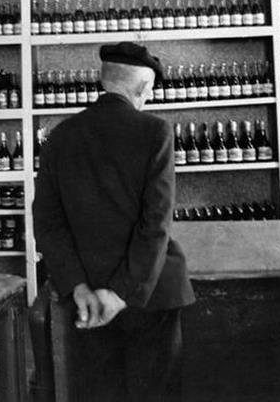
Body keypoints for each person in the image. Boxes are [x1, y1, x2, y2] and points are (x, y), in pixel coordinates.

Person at [33, 41, 195, 402]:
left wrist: (78, 287)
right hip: (148, 295)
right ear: (143, 87)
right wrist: (122, 293)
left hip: (86, 299)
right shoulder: (155, 131)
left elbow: (47, 224)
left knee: (99, 393)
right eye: (149, 92)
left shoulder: (60, 136)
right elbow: (155, 223)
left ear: (104, 81)